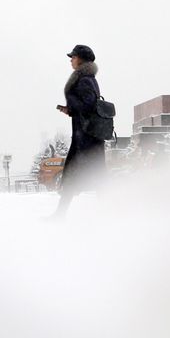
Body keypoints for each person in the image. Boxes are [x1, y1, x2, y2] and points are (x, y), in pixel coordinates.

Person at [52, 44, 107, 218]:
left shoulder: (84, 80)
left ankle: (110, 214)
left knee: (87, 177)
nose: (71, 60)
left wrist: (72, 104)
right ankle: (110, 214)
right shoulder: (88, 78)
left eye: (73, 57)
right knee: (94, 177)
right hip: (86, 137)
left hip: (86, 140)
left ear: (81, 59)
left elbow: (88, 105)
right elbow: (85, 107)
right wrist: (71, 110)